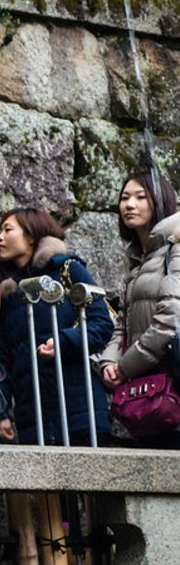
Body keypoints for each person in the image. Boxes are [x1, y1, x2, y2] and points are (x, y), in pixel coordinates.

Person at [0, 208, 113, 446]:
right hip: (32, 418)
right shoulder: (8, 292)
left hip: (80, 412)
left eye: (7, 230)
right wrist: (1, 412)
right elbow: (1, 357)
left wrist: (63, 342)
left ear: (31, 235)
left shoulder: (68, 269)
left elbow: (101, 323)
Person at [96, 170, 180, 448]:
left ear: (160, 200)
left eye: (140, 197)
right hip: (150, 394)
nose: (129, 205)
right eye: (124, 198)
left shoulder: (176, 248)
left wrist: (124, 367)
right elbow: (123, 324)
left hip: (171, 384)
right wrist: (109, 364)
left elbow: (170, 320)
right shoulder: (138, 261)